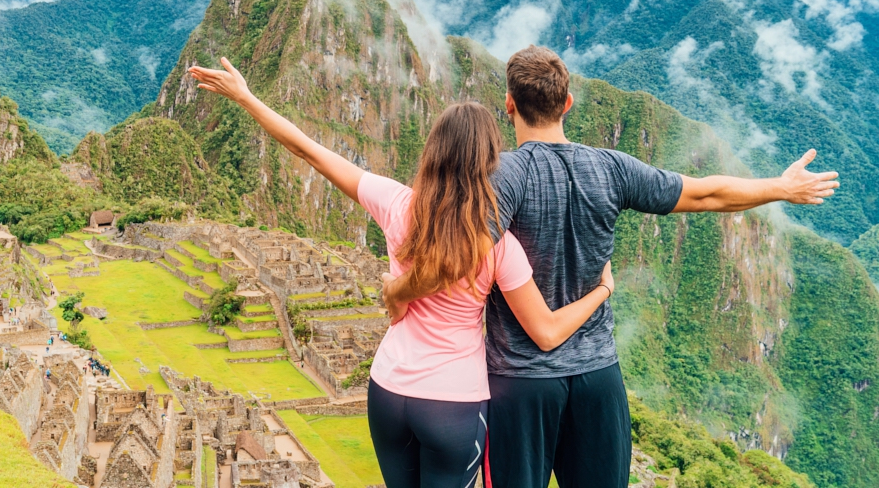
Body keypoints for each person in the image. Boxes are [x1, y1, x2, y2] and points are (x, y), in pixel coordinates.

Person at [384, 45, 840, 488]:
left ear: (509, 104)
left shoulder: (502, 177)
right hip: (597, 378)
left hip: (521, 386)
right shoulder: (611, 169)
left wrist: (398, 292)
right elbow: (705, 193)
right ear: (567, 103)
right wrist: (781, 188)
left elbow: (458, 258)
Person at [188, 59, 615, 487]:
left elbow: (309, 151)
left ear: (433, 150)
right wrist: (601, 290)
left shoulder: (397, 204)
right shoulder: (498, 244)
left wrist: (246, 97)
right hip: (454, 403)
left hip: (388, 391)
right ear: (491, 162)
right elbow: (546, 331)